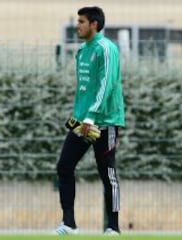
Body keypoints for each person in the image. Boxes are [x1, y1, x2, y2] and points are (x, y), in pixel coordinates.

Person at [55, 6, 125, 235]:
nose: (77, 25)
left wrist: (91, 116)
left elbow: (107, 84)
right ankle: (68, 224)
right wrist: (78, 117)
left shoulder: (106, 49)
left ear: (94, 24)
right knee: (64, 166)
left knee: (107, 174)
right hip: (81, 122)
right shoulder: (82, 51)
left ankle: (113, 228)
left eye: (81, 21)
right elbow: (83, 90)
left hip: (104, 121)